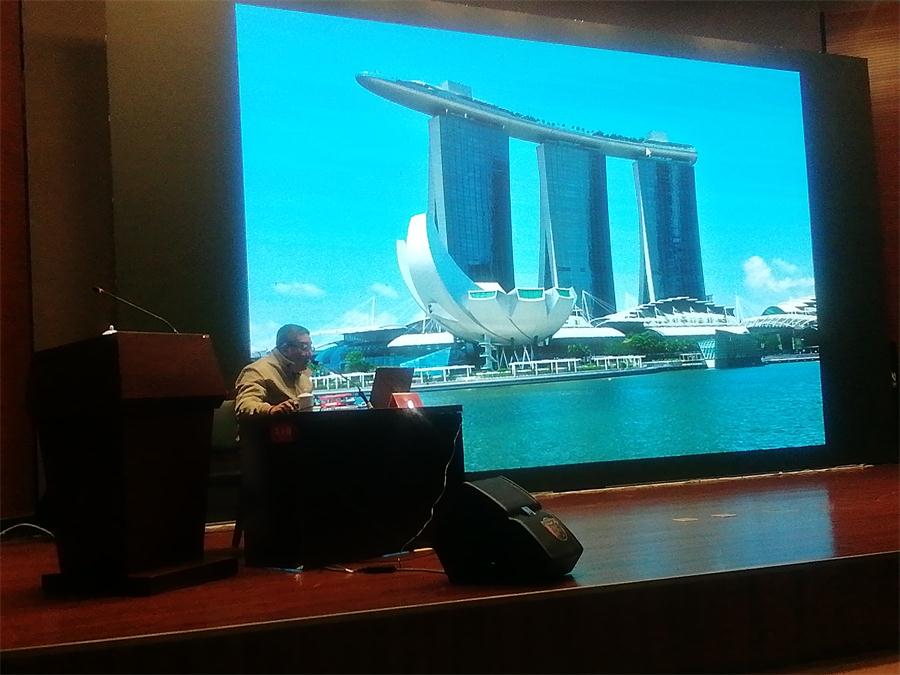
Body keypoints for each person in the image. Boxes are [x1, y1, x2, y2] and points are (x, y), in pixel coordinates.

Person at [234, 324, 315, 417]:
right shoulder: (257, 371)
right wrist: (270, 410)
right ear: (285, 349)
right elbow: (245, 404)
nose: (310, 354)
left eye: (310, 347)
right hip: (267, 426)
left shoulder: (303, 375)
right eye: (304, 347)